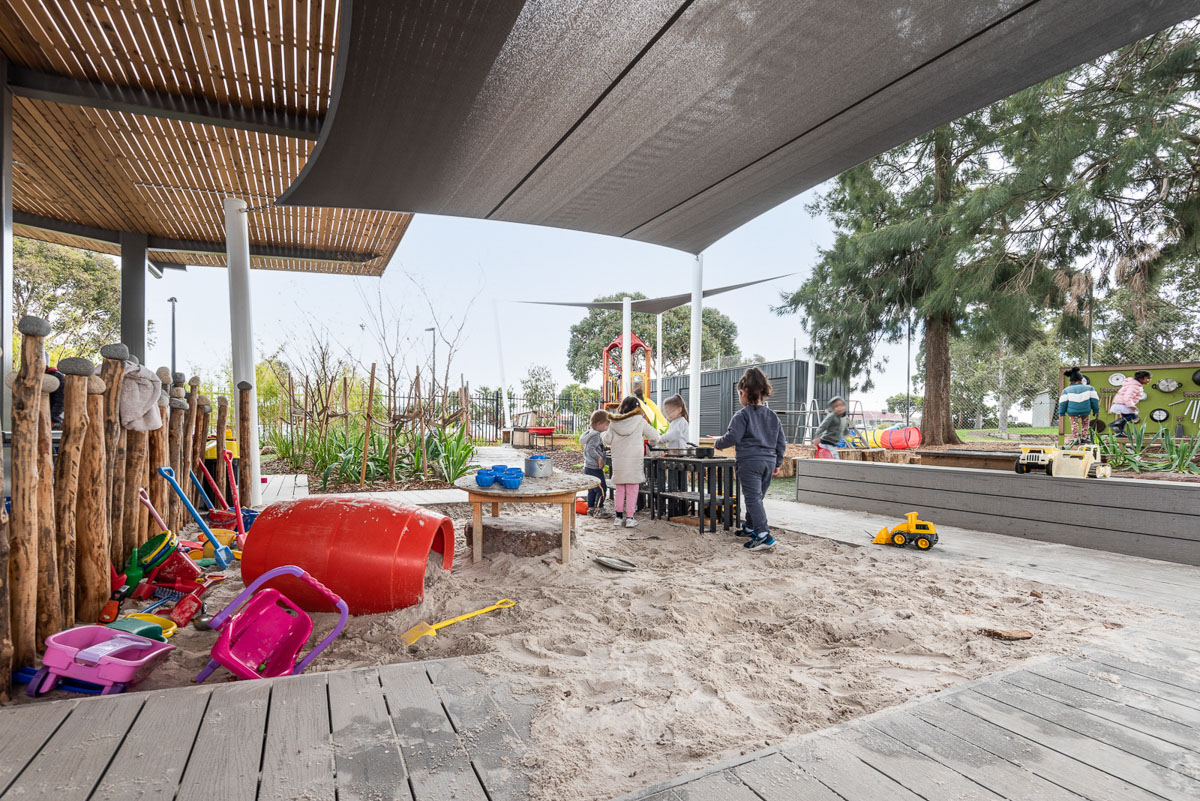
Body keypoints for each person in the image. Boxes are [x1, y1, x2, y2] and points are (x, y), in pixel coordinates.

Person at [714, 367, 786, 551]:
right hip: (769, 463)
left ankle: (763, 535)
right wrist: (777, 462)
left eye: (739, 393)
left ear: (744, 392)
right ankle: (751, 527)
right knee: (758, 498)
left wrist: (717, 443)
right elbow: (781, 442)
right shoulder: (773, 416)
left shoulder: (742, 415)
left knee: (753, 499)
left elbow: (732, 437)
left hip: (749, 462)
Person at [601, 396, 660, 528]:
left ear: (621, 407)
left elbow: (607, 439)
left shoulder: (614, 422)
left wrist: (602, 435)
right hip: (634, 461)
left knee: (620, 489)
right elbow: (655, 436)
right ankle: (630, 518)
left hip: (619, 461)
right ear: (637, 407)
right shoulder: (640, 421)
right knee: (633, 490)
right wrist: (652, 442)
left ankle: (618, 517)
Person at [580, 410, 611, 517]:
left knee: (592, 489)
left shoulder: (591, 433)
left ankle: (591, 508)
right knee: (602, 488)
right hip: (594, 467)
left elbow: (596, 447)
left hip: (588, 467)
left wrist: (605, 448)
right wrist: (599, 458)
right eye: (606, 424)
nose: (607, 427)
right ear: (599, 424)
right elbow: (590, 449)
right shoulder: (596, 435)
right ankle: (599, 509)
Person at [1057, 367, 1100, 445]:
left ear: (1071, 381)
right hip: (1085, 410)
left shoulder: (1066, 390)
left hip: (1072, 411)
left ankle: (1075, 439)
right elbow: (1094, 400)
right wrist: (1096, 410)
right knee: (1085, 423)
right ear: (1081, 380)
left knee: (1074, 424)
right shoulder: (1090, 388)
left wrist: (1062, 412)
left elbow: (1063, 402)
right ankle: (1084, 438)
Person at [1110, 370, 1151, 437]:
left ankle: (1119, 432)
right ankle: (1115, 424)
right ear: (1141, 378)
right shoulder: (1134, 386)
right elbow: (1127, 397)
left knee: (1125, 418)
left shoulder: (1133, 384)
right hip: (1124, 404)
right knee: (1133, 416)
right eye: (1148, 378)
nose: (1149, 380)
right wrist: (1131, 406)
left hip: (1122, 403)